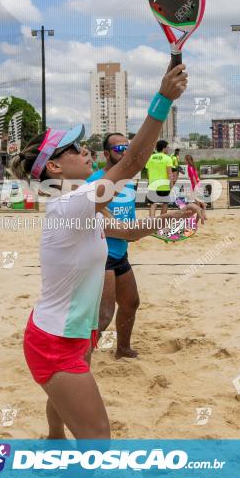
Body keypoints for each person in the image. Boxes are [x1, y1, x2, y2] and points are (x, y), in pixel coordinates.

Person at [10, 64, 200, 478]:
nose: (86, 150)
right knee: (97, 443)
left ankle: (54, 439)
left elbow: (127, 232)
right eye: (75, 147)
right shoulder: (73, 201)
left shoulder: (80, 205)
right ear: (56, 165)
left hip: (69, 330)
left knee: (67, 409)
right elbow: (133, 160)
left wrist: (172, 217)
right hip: (54, 341)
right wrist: (163, 98)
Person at [88, 133, 204, 359]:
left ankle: (122, 349)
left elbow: (128, 219)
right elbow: (99, 221)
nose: (125, 152)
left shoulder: (128, 182)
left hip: (120, 252)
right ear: (105, 154)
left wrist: (135, 232)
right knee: (103, 316)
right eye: (119, 149)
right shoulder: (95, 183)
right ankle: (78, 361)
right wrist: (131, 231)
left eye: (127, 148)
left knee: (131, 303)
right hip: (101, 256)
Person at [145, 140, 174, 218]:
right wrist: (171, 186)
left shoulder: (150, 158)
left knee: (153, 205)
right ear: (163, 148)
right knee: (164, 205)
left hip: (152, 185)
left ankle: (151, 224)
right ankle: (161, 224)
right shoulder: (167, 158)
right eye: (167, 147)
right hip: (164, 186)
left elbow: (148, 173)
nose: (168, 149)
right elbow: (170, 174)